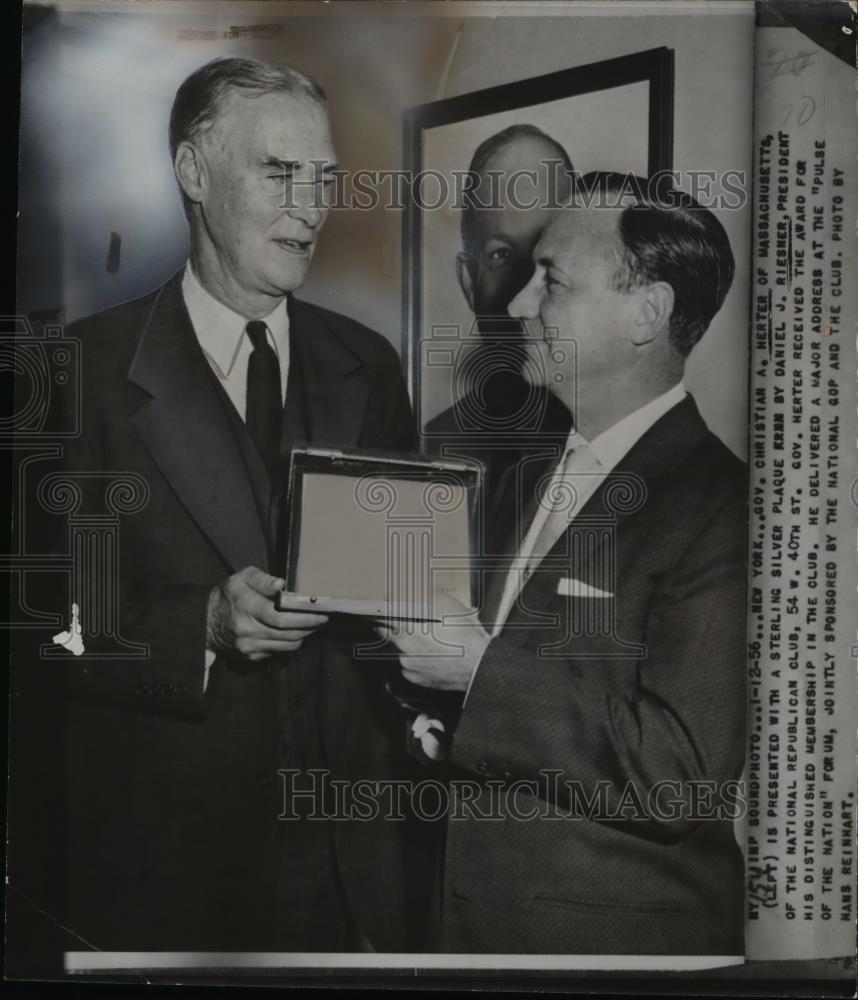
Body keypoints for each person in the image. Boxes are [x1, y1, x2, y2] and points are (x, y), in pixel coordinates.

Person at [44, 57, 417, 952]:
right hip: (169, 884)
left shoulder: (370, 367)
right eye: (279, 171)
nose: (312, 205)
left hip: (347, 880)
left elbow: (395, 613)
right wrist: (201, 626)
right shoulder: (80, 373)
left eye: (323, 178)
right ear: (194, 174)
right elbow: (39, 627)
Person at [380, 173, 747, 955]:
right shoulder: (523, 468)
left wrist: (479, 675)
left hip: (608, 949)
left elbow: (678, 774)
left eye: (552, 281)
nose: (517, 307)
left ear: (645, 314)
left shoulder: (724, 507)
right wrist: (433, 719)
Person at [422, 124, 574, 496]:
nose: (526, 292)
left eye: (547, 252)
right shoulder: (434, 454)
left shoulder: (624, 442)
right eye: (501, 255)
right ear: (469, 283)